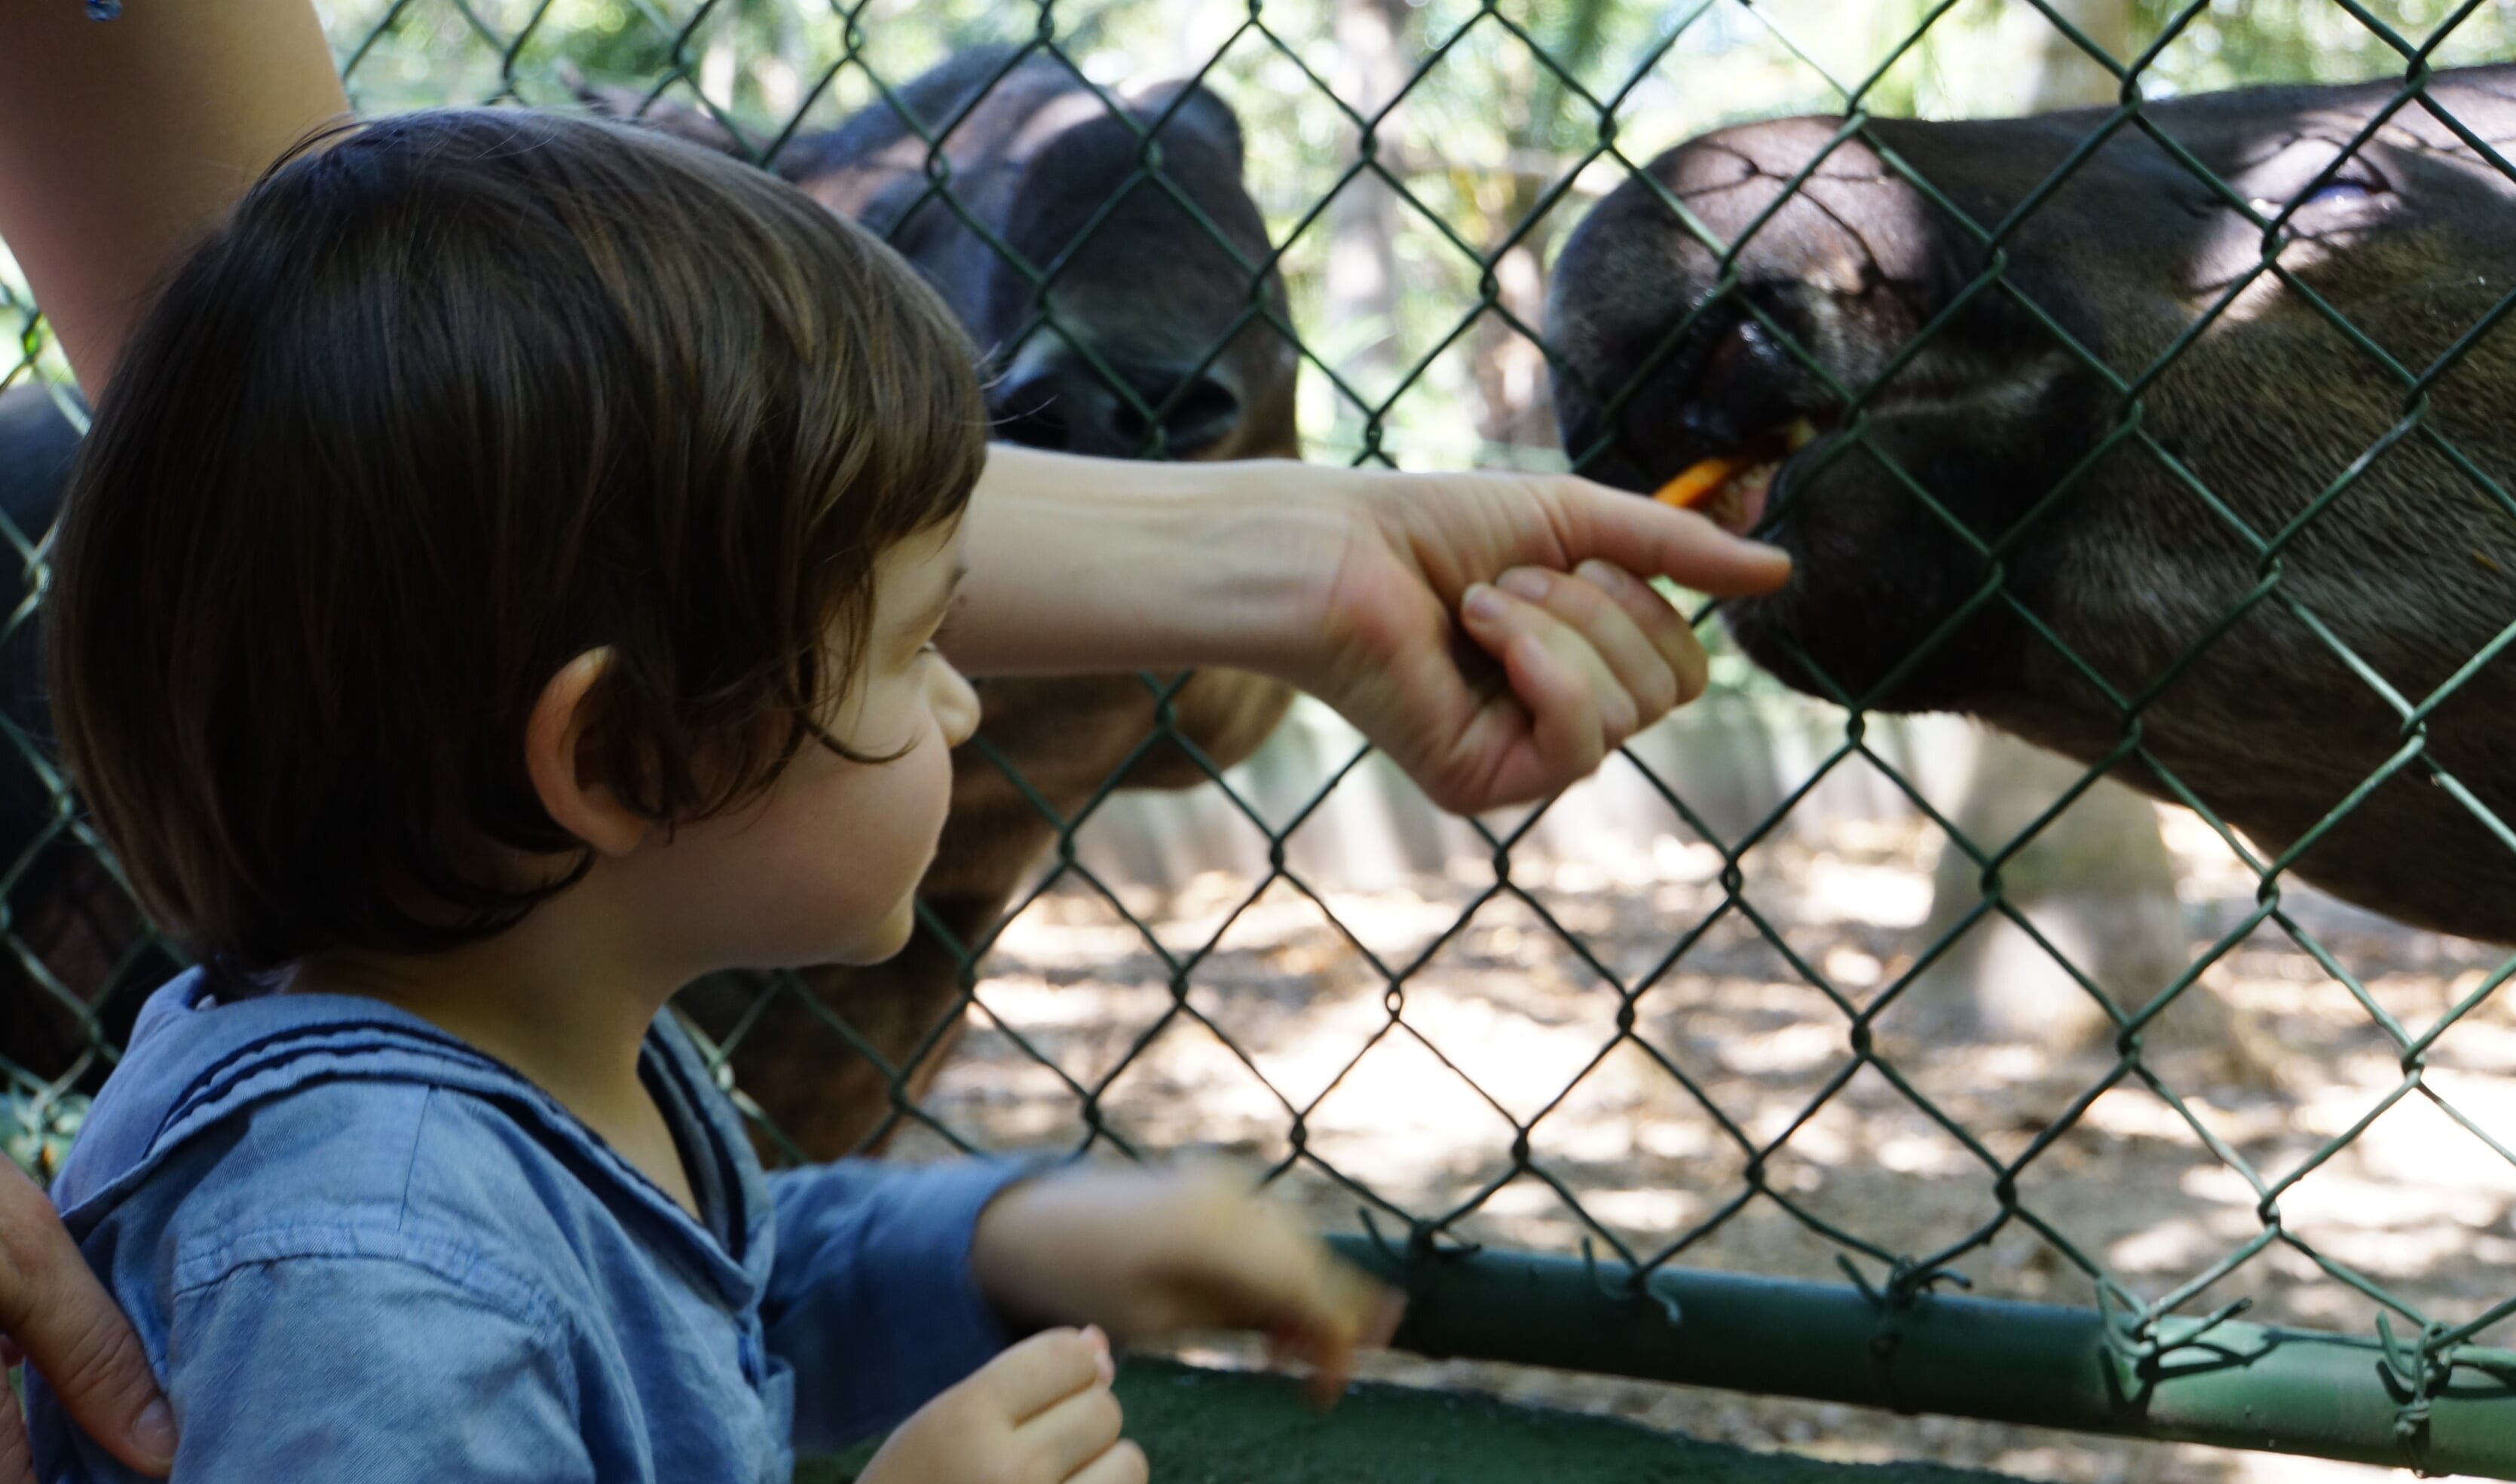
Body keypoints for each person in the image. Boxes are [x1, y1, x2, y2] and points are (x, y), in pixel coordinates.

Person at [0, 3, 1791, 1477]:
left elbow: (737, 1281)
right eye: (920, 645)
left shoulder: (505, 1065)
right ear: (623, 756)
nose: (955, 693)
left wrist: (1016, 1239)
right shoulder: (364, 1267)